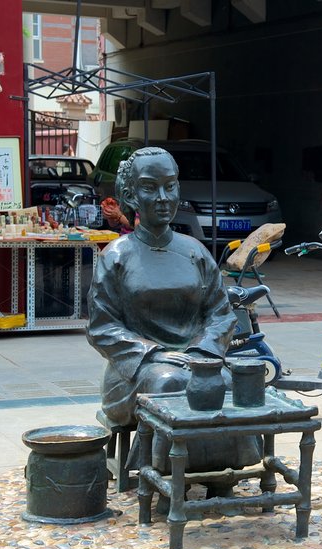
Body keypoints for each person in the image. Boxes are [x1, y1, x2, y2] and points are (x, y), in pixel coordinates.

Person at [86, 147, 260, 474]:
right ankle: (163, 473)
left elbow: (221, 315)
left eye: (171, 185)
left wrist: (202, 352)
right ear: (130, 194)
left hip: (196, 362)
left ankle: (220, 467)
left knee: (229, 383)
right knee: (169, 383)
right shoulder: (117, 256)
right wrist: (154, 354)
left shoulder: (194, 252)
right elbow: (102, 327)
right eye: (151, 187)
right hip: (134, 373)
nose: (164, 197)